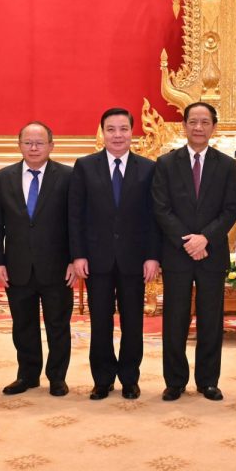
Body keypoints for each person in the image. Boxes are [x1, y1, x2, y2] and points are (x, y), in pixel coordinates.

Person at [69, 107, 161, 400]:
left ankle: (130, 379)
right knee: (100, 321)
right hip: (97, 259)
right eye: (111, 129)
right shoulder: (85, 166)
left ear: (133, 132)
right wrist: (78, 255)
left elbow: (154, 217)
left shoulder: (148, 168)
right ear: (102, 132)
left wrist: (152, 256)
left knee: (133, 322)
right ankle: (103, 379)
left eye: (123, 129)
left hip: (135, 260)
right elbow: (76, 215)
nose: (117, 135)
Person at [153, 102, 236, 401]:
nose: (198, 127)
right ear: (184, 126)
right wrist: (187, 242)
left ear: (214, 127)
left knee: (211, 320)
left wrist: (205, 239)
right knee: (174, 319)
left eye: (205, 122)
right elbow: (161, 208)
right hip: (177, 254)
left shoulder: (226, 164)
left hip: (211, 253)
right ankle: (175, 381)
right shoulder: (166, 163)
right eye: (193, 122)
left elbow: (231, 208)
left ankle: (208, 381)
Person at [0, 121, 75, 397]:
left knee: (58, 325)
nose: (34, 148)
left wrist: (75, 260)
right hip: (17, 266)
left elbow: (76, 222)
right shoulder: (4, 177)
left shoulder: (68, 176)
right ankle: (27, 375)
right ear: (19, 145)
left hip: (58, 267)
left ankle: (57, 377)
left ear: (51, 145)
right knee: (23, 325)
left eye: (40, 143)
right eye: (28, 143)